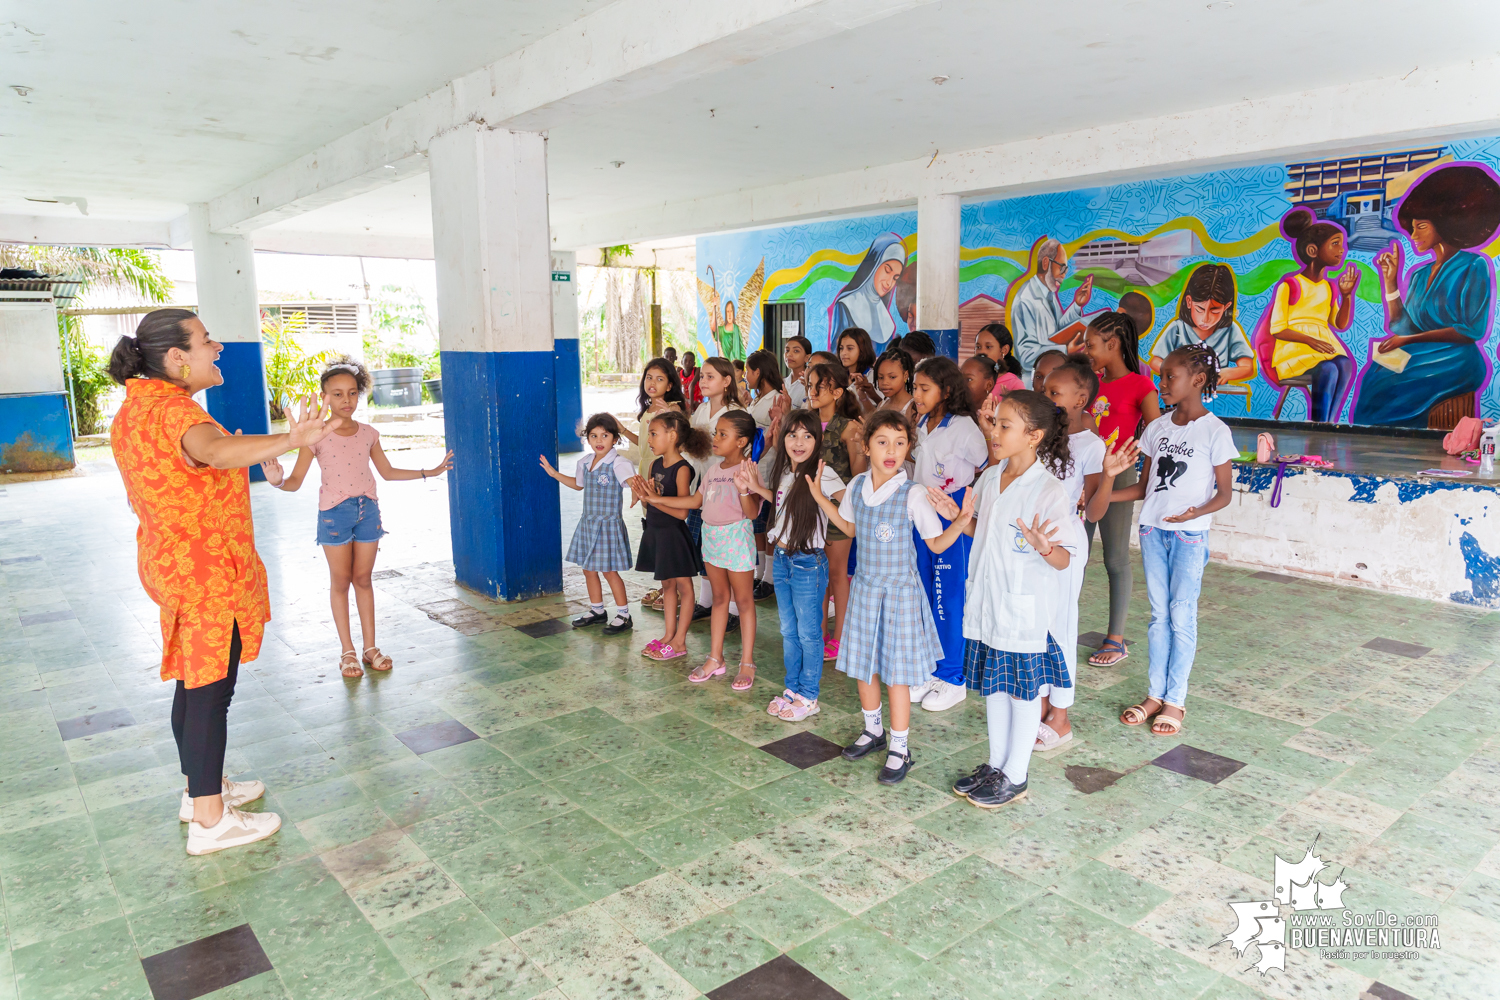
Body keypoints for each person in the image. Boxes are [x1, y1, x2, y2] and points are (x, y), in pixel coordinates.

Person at [108, 309, 342, 854]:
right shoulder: (175, 412)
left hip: (173, 562)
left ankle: (200, 792)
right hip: (205, 570)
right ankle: (211, 823)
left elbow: (192, 465)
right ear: (176, 358)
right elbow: (211, 451)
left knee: (194, 681)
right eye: (207, 341)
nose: (217, 349)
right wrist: (291, 438)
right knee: (212, 689)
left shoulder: (135, 411)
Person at [807, 410, 974, 784]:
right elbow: (850, 526)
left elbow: (934, 543)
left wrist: (960, 525)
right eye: (882, 442)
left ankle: (900, 747)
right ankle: (873, 730)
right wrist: (821, 498)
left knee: (897, 675)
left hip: (900, 593)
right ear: (866, 446)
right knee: (865, 666)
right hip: (865, 589)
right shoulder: (857, 486)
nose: (891, 450)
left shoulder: (913, 493)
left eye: (900, 443)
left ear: (908, 449)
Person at [265, 356, 453, 677]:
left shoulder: (368, 433)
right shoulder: (316, 436)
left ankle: (370, 648)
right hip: (334, 515)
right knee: (340, 582)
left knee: (363, 580)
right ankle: (347, 651)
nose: (346, 400)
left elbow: (388, 472)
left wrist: (429, 471)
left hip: (369, 511)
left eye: (352, 392)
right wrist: (278, 481)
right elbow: (294, 482)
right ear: (324, 396)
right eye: (337, 394)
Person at [941, 390, 1078, 809]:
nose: (994, 432)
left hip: (1022, 610)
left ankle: (1016, 774)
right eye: (994, 423)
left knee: (1022, 693)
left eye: (1004, 426)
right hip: (988, 603)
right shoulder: (990, 477)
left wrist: (1043, 546)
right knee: (995, 690)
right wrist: (957, 518)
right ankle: (996, 764)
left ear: (1034, 436)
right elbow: (980, 532)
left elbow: (1064, 559)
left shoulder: (1050, 490)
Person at [1102, 344, 1236, 736]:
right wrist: (1102, 496)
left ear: (1196, 380)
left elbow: (1224, 493)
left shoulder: (1215, 431)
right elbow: (1144, 487)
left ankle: (1175, 701)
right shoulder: (1157, 427)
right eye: (1161, 377)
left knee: (1182, 615)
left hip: (1189, 537)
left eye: (1170, 377)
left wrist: (1196, 513)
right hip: (1152, 531)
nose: (1162, 385)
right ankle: (1154, 694)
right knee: (1159, 616)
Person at [1353, 164, 1500, 427]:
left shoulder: (1473, 266)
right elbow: (1402, 326)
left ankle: (1402, 445)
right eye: (1411, 227)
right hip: (1422, 352)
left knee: (1398, 380)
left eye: (1420, 226)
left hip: (1457, 359)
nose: (1413, 235)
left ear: (1445, 223)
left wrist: (1409, 339)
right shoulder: (1420, 275)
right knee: (1376, 374)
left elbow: (1470, 331)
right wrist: (1390, 282)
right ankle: (1377, 443)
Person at [744, 409, 846, 721]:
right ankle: (792, 689)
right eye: (792, 435)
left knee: (809, 633)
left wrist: (820, 496)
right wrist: (756, 487)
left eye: (807, 435)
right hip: (783, 560)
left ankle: (809, 696)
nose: (799, 442)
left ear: (818, 440)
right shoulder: (784, 470)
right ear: (782, 438)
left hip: (808, 563)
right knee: (789, 630)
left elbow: (850, 512)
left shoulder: (822, 473)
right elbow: (780, 501)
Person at [905, 357, 989, 713]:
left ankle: (954, 675)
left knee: (947, 594)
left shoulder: (965, 427)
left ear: (948, 391)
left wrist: (963, 509)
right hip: (922, 509)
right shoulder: (924, 422)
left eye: (925, 388)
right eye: (915, 387)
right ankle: (929, 667)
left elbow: (986, 465)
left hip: (952, 512)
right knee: (923, 591)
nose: (917, 394)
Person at [1081, 311, 1160, 669]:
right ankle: (1059, 625)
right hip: (1082, 477)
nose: (1087, 350)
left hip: (1119, 477)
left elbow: (1158, 435)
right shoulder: (1090, 383)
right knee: (1073, 555)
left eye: (1091, 344)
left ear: (1112, 344)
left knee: (1114, 558)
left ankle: (1115, 638)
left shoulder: (1142, 387)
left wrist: (1149, 480)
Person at [1036, 361, 1105, 750]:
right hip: (1035, 541)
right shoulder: (1042, 437)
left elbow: (1094, 511)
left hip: (1066, 543)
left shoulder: (1092, 445)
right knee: (1039, 624)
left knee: (1060, 627)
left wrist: (1109, 474)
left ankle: (1061, 717)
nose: (1047, 399)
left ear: (1081, 400)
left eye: (1054, 393)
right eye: (1044, 392)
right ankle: (1042, 704)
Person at [539, 413, 636, 636]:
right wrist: (554, 473)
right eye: (593, 435)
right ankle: (597, 610)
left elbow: (631, 482)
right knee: (588, 568)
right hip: (588, 524)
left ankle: (624, 615)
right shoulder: (583, 462)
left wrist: (638, 492)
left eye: (605, 435)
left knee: (609, 571)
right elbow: (578, 485)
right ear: (587, 438)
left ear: (615, 438)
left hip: (608, 525)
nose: (599, 440)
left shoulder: (619, 463)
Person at [1259, 207, 1358, 422]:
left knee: (1345, 364)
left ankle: (1329, 423)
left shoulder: (1329, 287)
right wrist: (1310, 341)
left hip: (1322, 350)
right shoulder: (1290, 284)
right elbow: (1278, 328)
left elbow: (1339, 325)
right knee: (1329, 369)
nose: (1342, 249)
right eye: (1335, 244)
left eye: (1341, 244)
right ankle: (1317, 424)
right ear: (1313, 251)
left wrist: (1347, 296)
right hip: (1293, 353)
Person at [631, 410, 711, 662]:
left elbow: (681, 513)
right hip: (655, 531)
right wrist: (644, 497)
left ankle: (680, 641)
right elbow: (653, 502)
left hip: (673, 535)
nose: (649, 440)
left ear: (672, 435)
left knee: (685, 588)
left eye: (654, 434)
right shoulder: (654, 465)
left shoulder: (682, 469)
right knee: (667, 586)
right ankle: (668, 634)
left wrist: (654, 499)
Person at [805, 362, 866, 660]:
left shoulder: (849, 427)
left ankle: (840, 636)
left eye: (819, 386)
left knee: (838, 574)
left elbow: (858, 475)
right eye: (809, 384)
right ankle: (819, 631)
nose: (812, 391)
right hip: (809, 511)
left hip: (839, 511)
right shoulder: (806, 424)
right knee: (818, 574)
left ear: (838, 392)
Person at [688, 358, 746, 624]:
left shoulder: (735, 410)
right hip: (703, 487)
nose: (703, 381)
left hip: (728, 489)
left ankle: (733, 609)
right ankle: (706, 601)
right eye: (702, 377)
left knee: (730, 550)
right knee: (703, 545)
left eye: (710, 377)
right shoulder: (701, 410)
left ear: (726, 381)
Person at [1150, 263, 1254, 384]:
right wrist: (1178, 374)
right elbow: (1155, 361)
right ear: (1189, 302)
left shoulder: (1230, 330)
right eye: (1200, 309)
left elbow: (1248, 367)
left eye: (1214, 311)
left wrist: (1227, 373)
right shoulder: (1177, 328)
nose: (1205, 319)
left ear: (1226, 307)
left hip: (1218, 398)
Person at [1011, 238, 1095, 379]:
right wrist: (1065, 350)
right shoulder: (1025, 299)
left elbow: (1058, 332)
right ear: (1045, 263)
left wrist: (1077, 305)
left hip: (1052, 378)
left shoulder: (1049, 293)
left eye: (1065, 270)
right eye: (1061, 268)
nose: (1063, 275)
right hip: (1034, 384)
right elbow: (1026, 356)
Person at [744, 349, 785, 599]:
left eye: (748, 372)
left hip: (769, 471)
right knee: (757, 527)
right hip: (756, 470)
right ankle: (760, 573)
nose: (746, 376)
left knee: (769, 527)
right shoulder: (759, 398)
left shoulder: (776, 399)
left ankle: (769, 578)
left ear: (758, 372)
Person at [829, 232, 906, 351]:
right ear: (875, 264)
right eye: (887, 270)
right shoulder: (845, 306)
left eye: (895, 278)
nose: (889, 283)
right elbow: (836, 354)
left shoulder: (887, 321)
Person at [837, 326, 882, 413]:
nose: (843, 353)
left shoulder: (873, 377)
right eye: (841, 348)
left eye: (850, 348)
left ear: (862, 350)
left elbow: (879, 409)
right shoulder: (838, 376)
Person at [974, 323, 1026, 395]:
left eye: (988, 347)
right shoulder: (972, 379)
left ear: (1004, 350)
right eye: (978, 347)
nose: (982, 352)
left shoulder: (1014, 384)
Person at [873, 346, 915, 416]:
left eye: (892, 377)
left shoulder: (912, 408)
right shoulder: (882, 404)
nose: (885, 382)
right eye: (880, 377)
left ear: (905, 375)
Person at [783, 335, 813, 408]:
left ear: (807, 358)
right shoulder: (783, 382)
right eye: (787, 350)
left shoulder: (809, 384)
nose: (789, 354)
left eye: (796, 351)